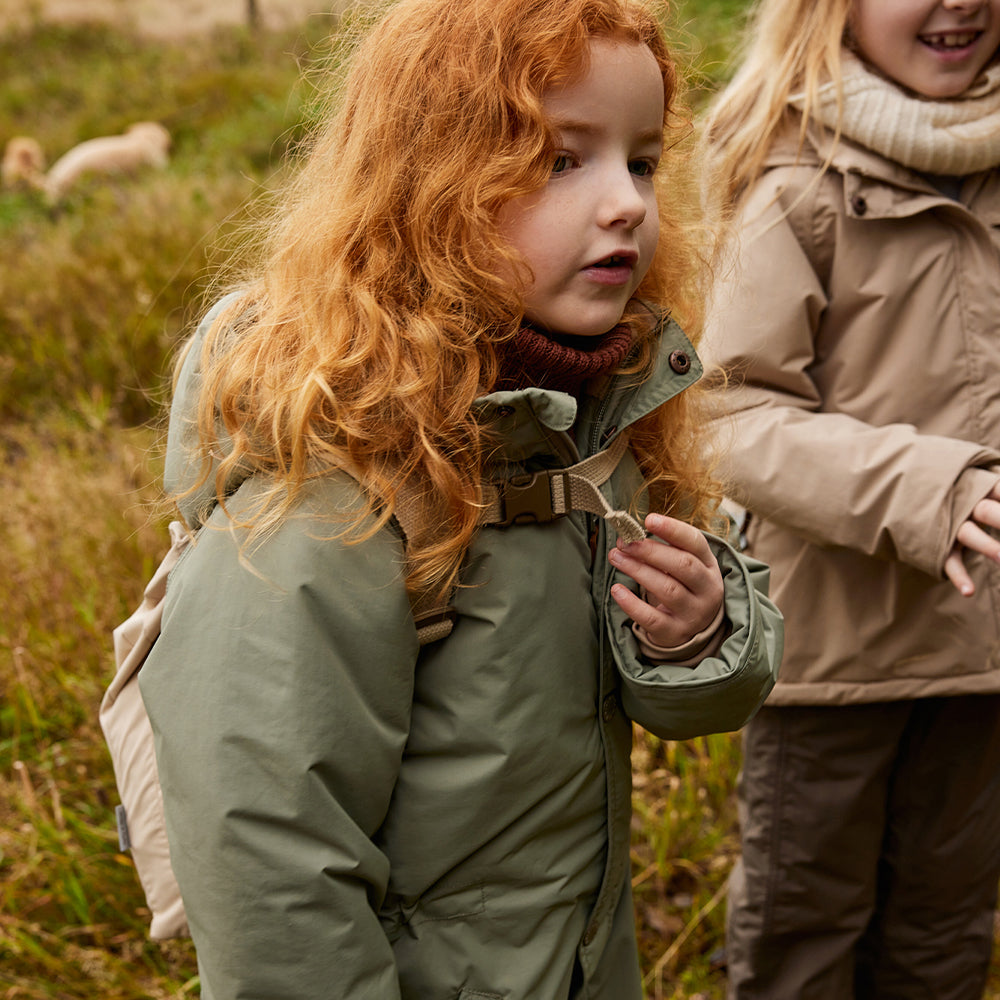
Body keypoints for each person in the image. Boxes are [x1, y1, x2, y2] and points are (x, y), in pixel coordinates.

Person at [138, 0, 783, 996]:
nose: (624, 203)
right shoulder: (328, 506)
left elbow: (697, 703)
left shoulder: (589, 425)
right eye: (560, 161)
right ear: (430, 184)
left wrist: (695, 634)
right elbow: (269, 872)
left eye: (642, 161)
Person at [701, 0, 1000, 996]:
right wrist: (922, 487)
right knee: (804, 930)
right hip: (833, 660)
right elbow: (731, 412)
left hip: (978, 653)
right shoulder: (797, 182)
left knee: (946, 931)